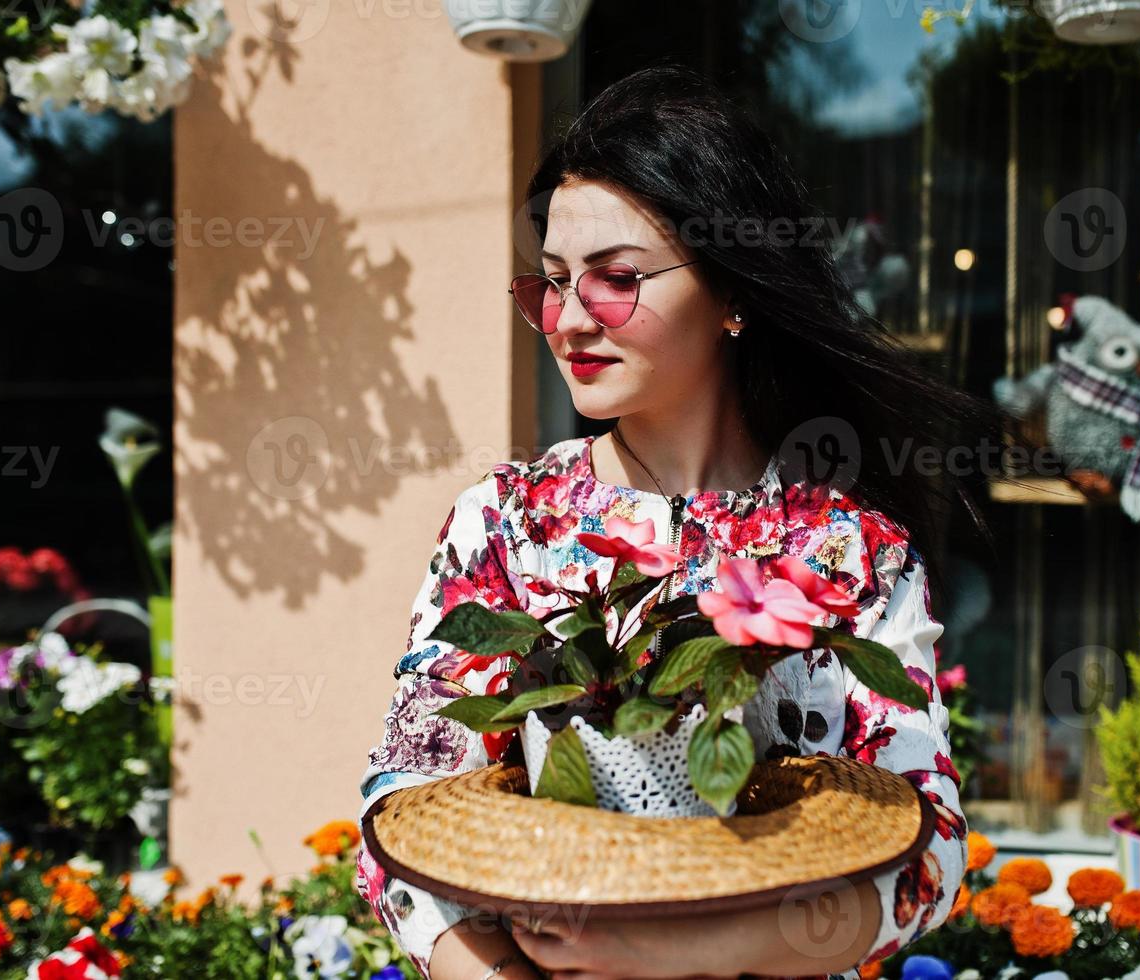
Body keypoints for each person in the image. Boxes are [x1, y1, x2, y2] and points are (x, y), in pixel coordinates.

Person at [355, 64, 989, 980]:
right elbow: (406, 801)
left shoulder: (849, 547)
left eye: (614, 279)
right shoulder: (504, 521)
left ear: (733, 291)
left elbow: (924, 850)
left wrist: (680, 949)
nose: (570, 320)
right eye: (551, 283)